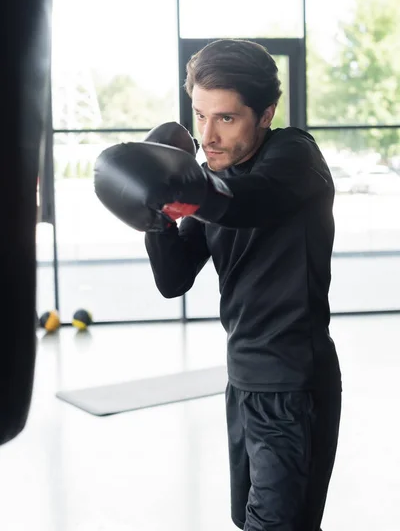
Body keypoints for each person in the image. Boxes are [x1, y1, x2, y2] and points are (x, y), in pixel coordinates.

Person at [94, 39, 342, 531]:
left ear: (266, 114)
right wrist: (159, 218)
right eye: (200, 115)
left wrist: (181, 192)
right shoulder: (209, 180)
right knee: (244, 518)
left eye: (225, 118)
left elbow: (250, 201)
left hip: (292, 384)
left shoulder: (295, 157)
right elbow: (174, 279)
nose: (208, 135)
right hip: (243, 381)